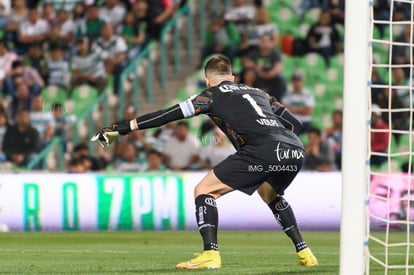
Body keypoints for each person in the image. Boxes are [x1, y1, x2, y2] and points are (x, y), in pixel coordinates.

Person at [91, 55, 318, 269]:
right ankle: (305, 253)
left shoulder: (209, 96)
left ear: (208, 80)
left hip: (263, 148)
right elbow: (295, 125)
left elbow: (167, 115)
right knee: (269, 194)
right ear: (233, 77)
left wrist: (123, 128)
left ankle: (210, 254)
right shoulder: (259, 92)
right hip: (294, 149)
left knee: (204, 190)